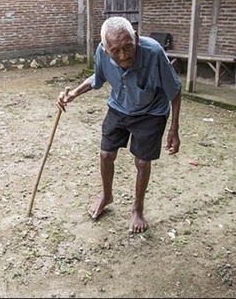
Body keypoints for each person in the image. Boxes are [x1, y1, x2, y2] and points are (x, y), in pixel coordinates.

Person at [57, 16, 182, 233]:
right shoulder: (102, 52)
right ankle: (106, 196)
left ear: (135, 37)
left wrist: (174, 128)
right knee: (106, 154)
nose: (123, 55)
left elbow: (175, 90)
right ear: (106, 50)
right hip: (119, 106)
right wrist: (74, 94)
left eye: (128, 47)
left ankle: (137, 209)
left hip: (151, 112)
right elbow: (97, 78)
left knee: (142, 162)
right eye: (115, 51)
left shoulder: (154, 52)